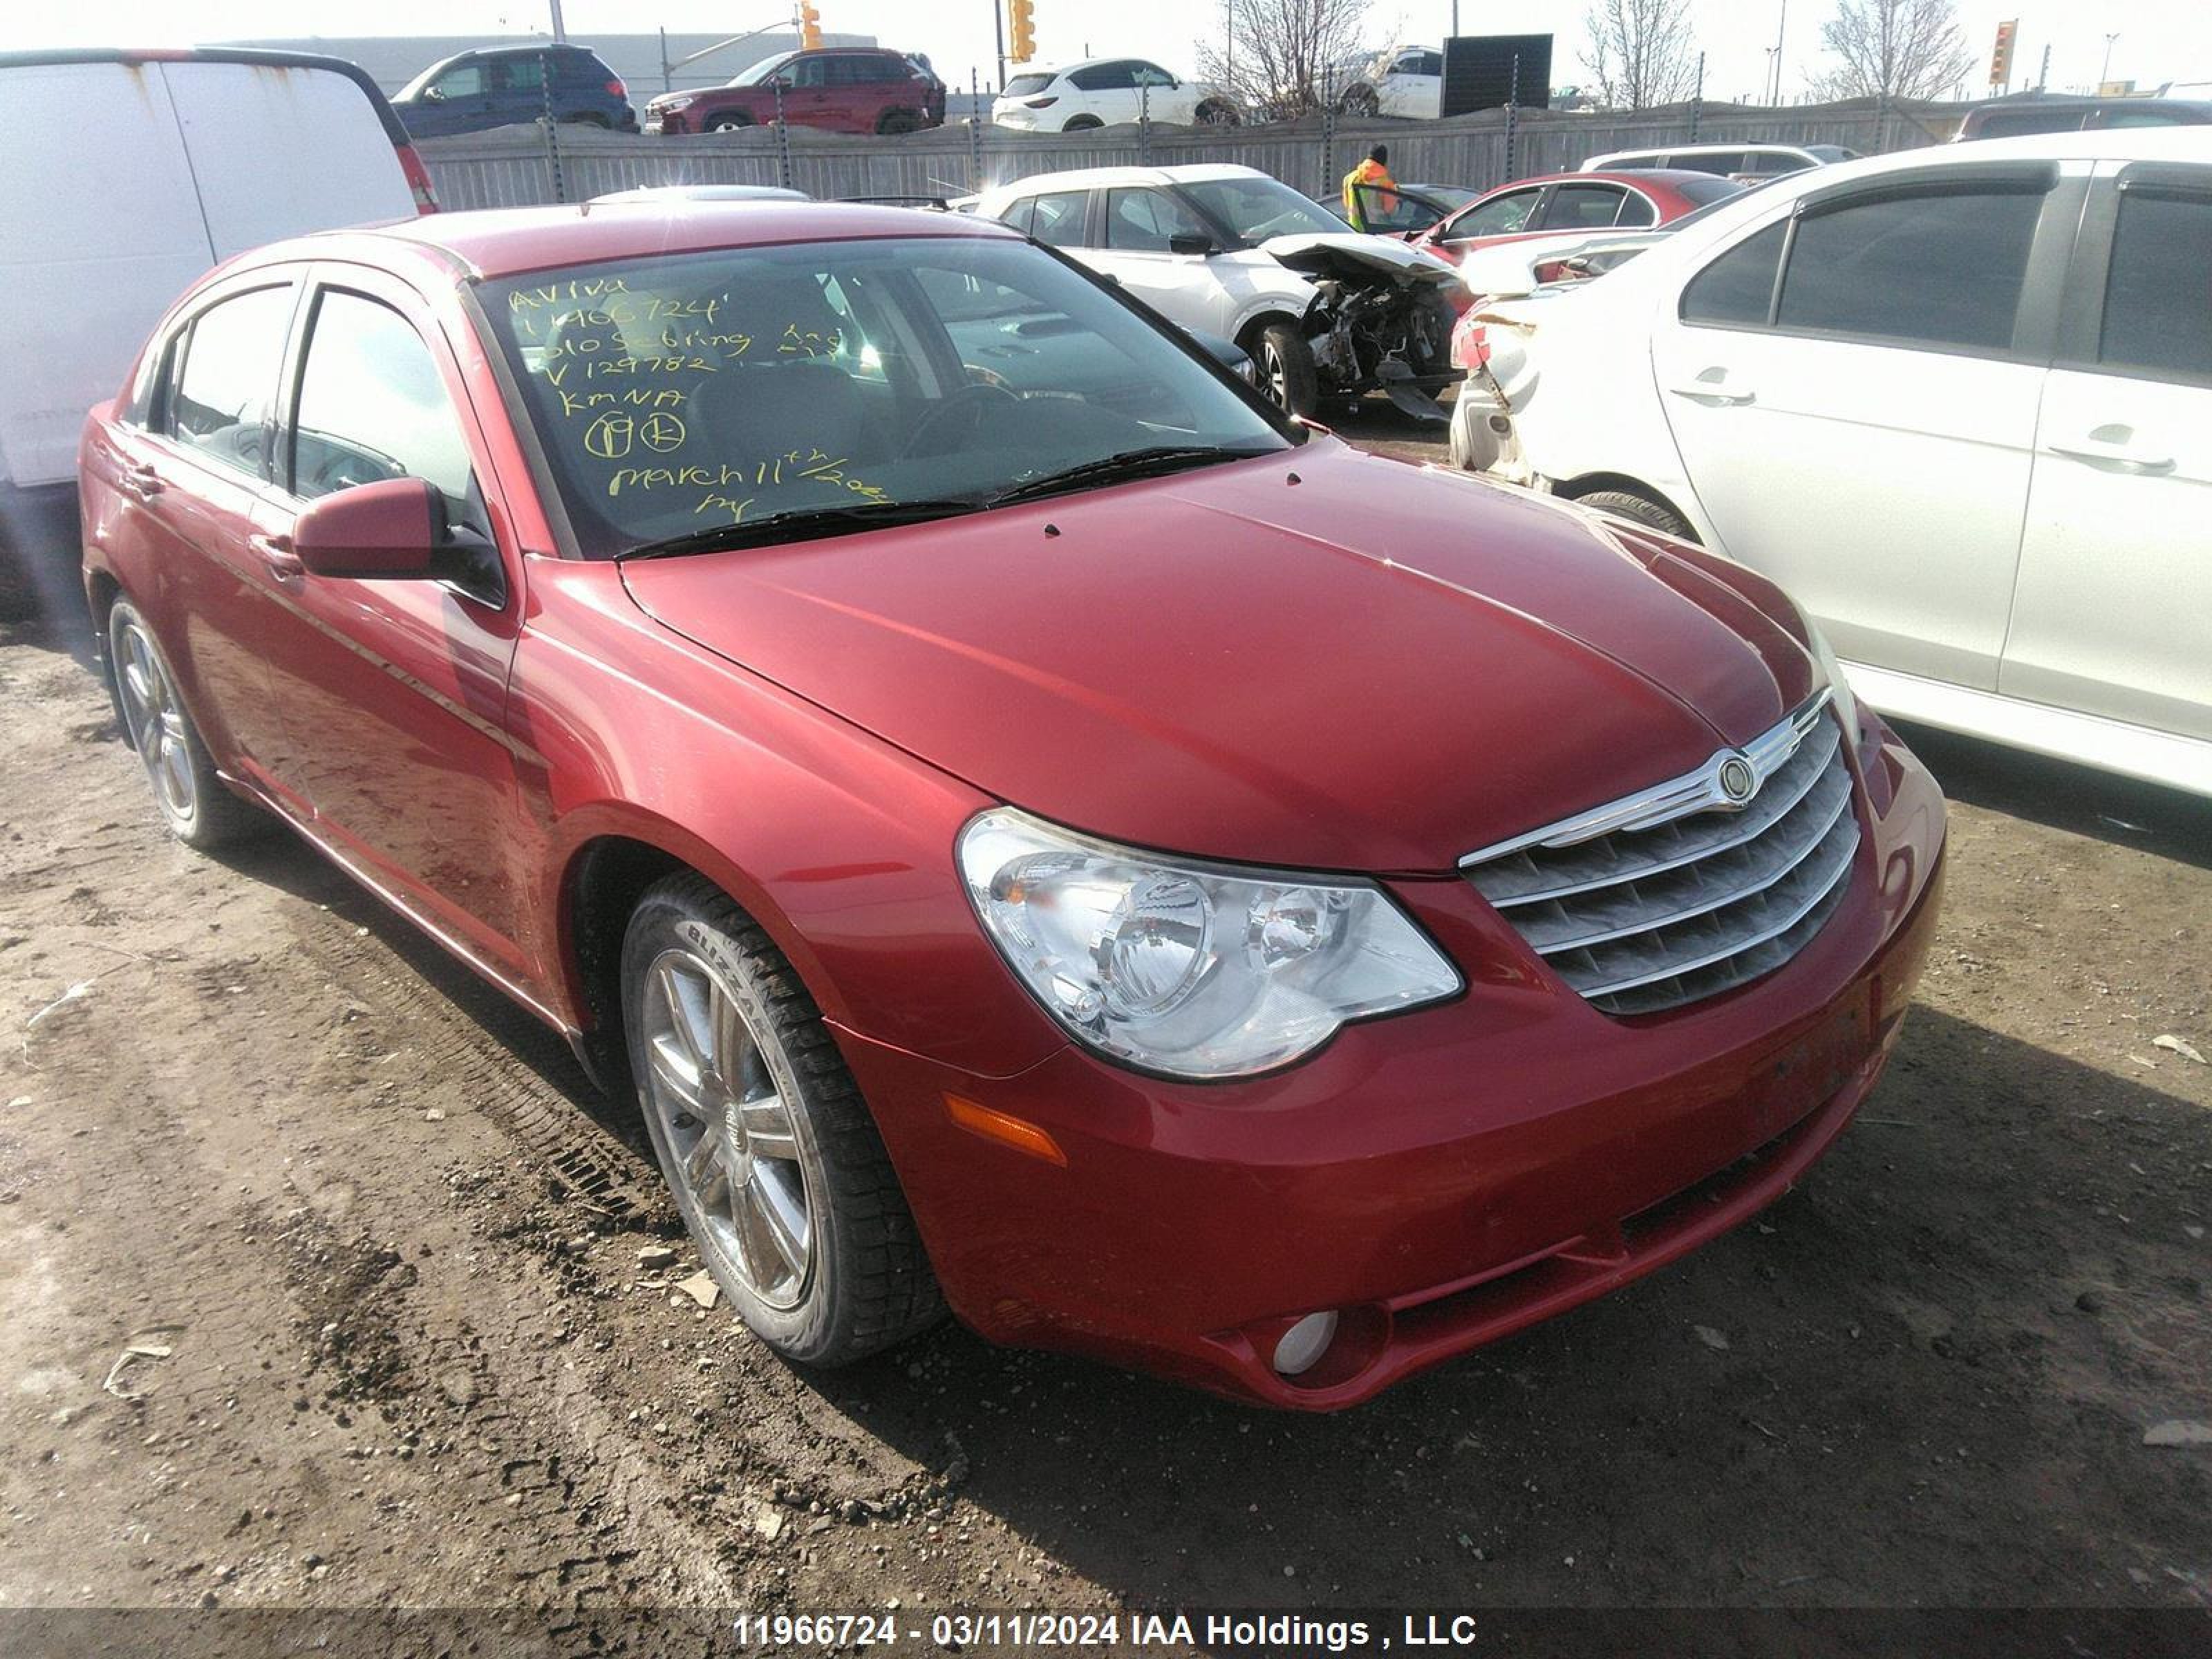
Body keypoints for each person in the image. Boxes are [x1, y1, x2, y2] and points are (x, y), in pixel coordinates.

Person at [1341, 143, 1398, 230]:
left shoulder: (1349, 179)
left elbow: (1346, 204)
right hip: (1376, 233)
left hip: (1354, 231)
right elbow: (1391, 211)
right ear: (1384, 161)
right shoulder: (1386, 183)